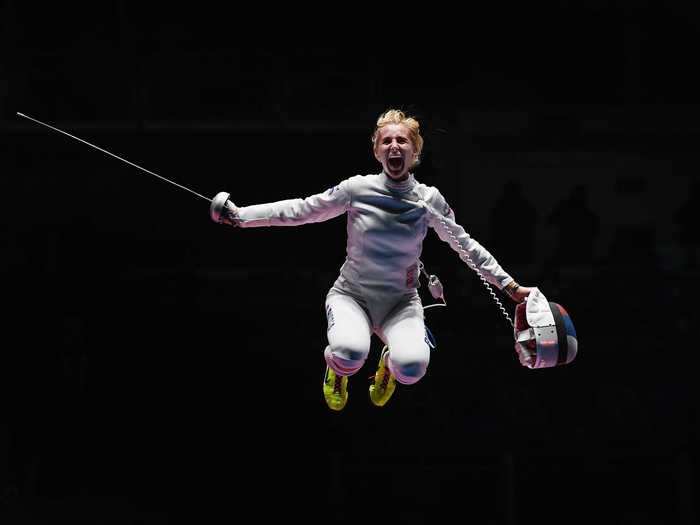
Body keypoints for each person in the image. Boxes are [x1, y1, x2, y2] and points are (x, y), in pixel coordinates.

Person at [211, 109, 533, 411]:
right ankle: (336, 370)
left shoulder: (429, 200)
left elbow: (465, 244)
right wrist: (242, 216)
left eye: (402, 140)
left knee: (412, 368)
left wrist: (510, 285)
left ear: (414, 152)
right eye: (387, 141)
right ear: (378, 151)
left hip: (401, 303)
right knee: (349, 354)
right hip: (353, 295)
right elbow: (302, 210)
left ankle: (390, 364)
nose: (394, 146)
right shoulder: (357, 189)